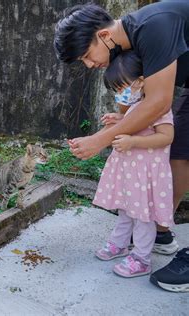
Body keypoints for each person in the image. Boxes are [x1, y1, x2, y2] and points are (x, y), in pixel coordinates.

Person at [54, 1, 189, 292]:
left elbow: (158, 103)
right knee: (181, 154)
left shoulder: (154, 27)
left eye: (87, 56)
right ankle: (160, 232)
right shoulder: (129, 45)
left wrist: (100, 140)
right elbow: (139, 104)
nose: (89, 65)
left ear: (103, 36)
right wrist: (116, 123)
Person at [93, 51, 174, 278]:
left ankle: (142, 258)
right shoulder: (138, 104)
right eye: (116, 89)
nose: (120, 93)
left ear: (140, 81)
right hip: (131, 173)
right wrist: (119, 119)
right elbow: (135, 122)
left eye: (122, 87)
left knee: (143, 217)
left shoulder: (158, 106)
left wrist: (133, 141)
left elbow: (166, 136)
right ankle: (119, 244)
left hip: (145, 174)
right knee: (126, 211)